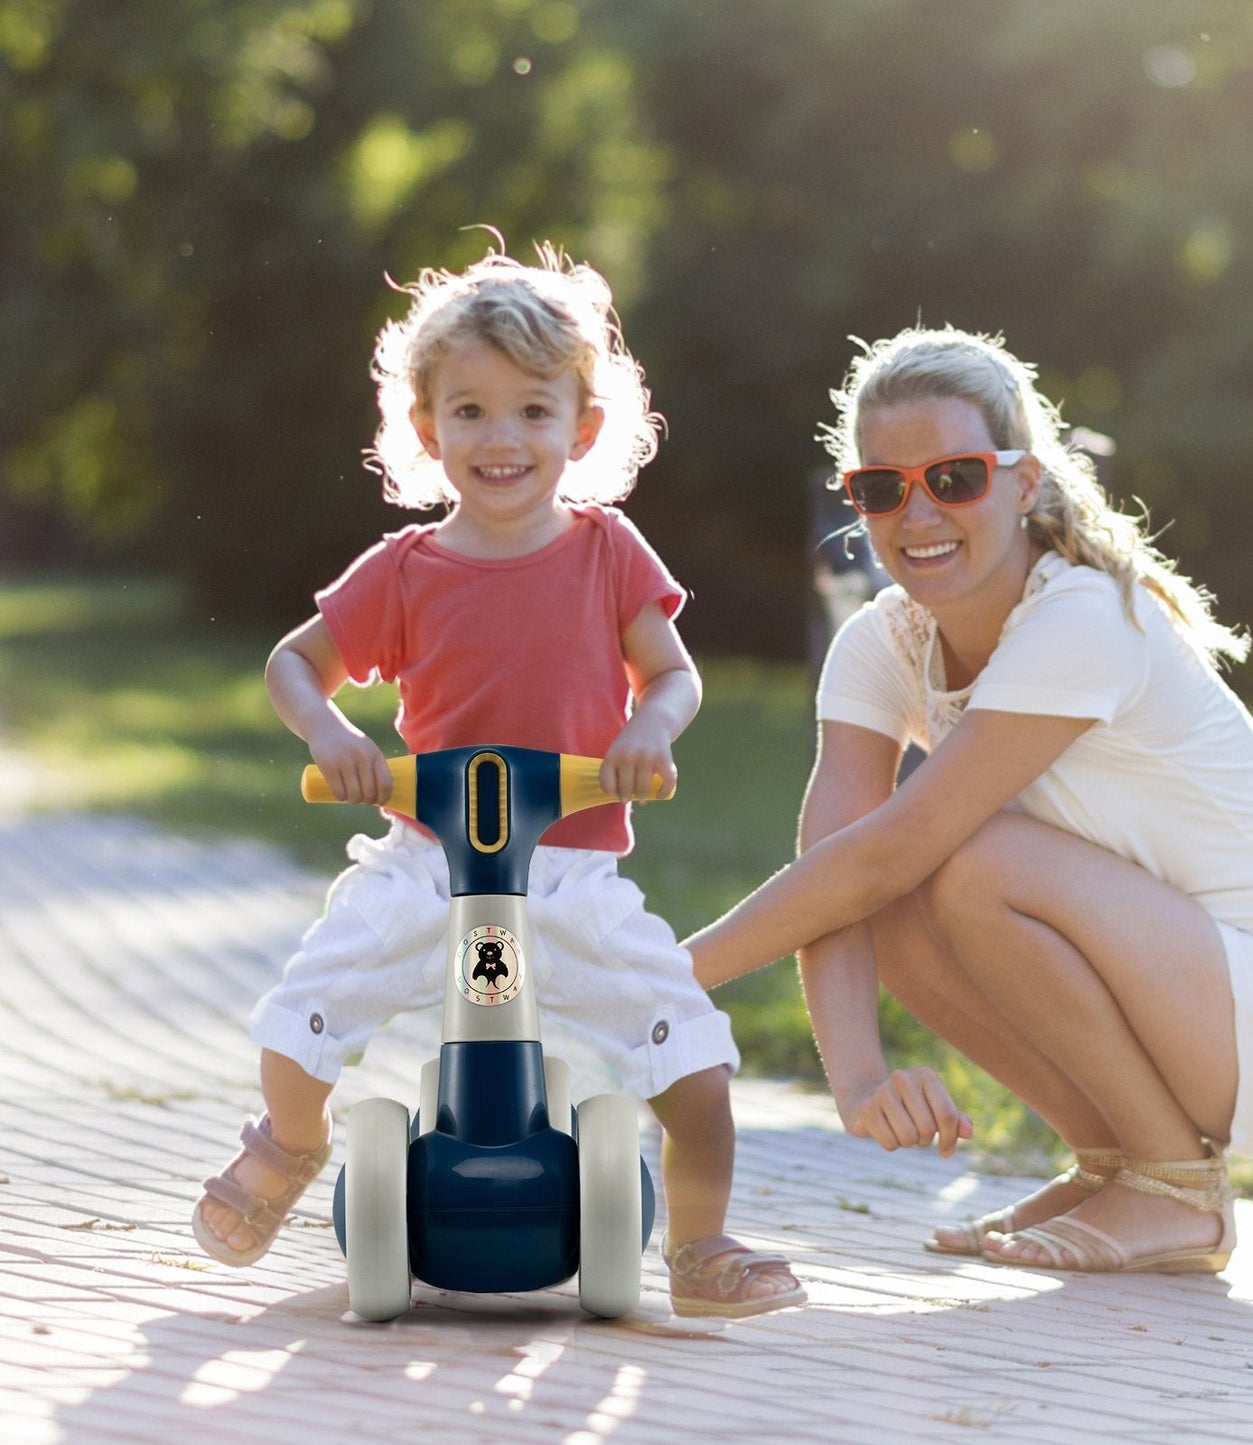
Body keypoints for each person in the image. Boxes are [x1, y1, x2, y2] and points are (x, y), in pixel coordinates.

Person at [686, 325, 1253, 1274]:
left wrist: (658, 978)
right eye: (881, 487)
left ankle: (1176, 1188)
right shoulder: (880, 641)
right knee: (903, 891)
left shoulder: (1080, 615)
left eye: (954, 478)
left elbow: (887, 850)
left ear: (1023, 482)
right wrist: (856, 1077)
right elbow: (837, 870)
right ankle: (1117, 1163)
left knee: (969, 861)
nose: (917, 512)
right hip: (1192, 995)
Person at [192, 239, 803, 1318]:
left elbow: (673, 674)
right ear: (427, 430)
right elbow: (294, 661)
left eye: (531, 409)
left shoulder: (609, 553)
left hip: (566, 873)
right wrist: (328, 733)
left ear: (582, 427)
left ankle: (701, 1244)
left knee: (694, 1057)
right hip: (430, 863)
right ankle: (288, 1144)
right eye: (468, 411)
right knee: (303, 1011)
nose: (501, 437)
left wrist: (647, 730)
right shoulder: (404, 571)